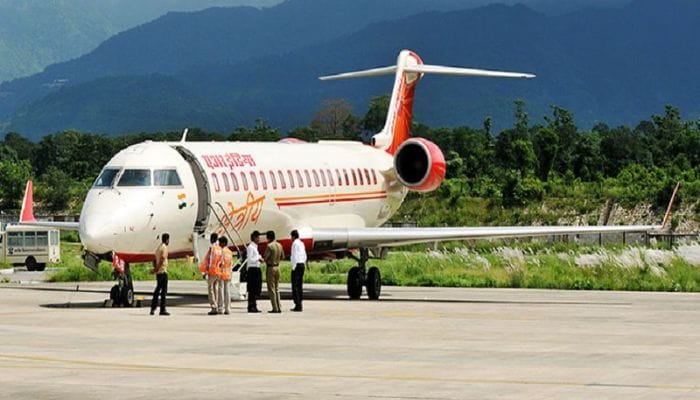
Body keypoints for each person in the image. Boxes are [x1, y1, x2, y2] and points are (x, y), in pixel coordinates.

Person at [199, 233, 221, 315]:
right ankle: (218, 306)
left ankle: (213, 307)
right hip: (218, 271)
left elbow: (211, 261)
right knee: (216, 289)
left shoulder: (212, 248)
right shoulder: (219, 248)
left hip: (212, 271)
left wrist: (206, 272)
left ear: (212, 239)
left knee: (210, 289)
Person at [263, 230, 284, 313]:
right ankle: (279, 306)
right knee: (277, 288)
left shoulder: (269, 246)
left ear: (268, 237)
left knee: (271, 288)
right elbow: (283, 256)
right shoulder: (280, 245)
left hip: (270, 268)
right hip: (278, 267)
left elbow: (266, 257)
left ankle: (275, 308)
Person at [150, 233, 170, 316]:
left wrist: (155, 269)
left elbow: (154, 260)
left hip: (158, 273)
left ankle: (153, 308)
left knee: (157, 290)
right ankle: (162, 309)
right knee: (163, 292)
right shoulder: (164, 248)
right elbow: (162, 259)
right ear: (167, 240)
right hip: (162, 271)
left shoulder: (158, 248)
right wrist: (157, 268)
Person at [246, 230, 263, 313]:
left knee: (256, 288)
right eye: (258, 237)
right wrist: (258, 258)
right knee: (252, 289)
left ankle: (254, 305)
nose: (259, 239)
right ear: (254, 238)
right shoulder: (250, 247)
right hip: (252, 269)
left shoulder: (255, 247)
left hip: (256, 269)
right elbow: (250, 259)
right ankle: (250, 306)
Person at [290, 229, 306, 312]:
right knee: (300, 285)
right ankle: (300, 303)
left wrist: (293, 267)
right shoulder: (301, 243)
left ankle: (297, 304)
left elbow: (294, 256)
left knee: (295, 286)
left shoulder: (294, 244)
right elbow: (304, 255)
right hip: (302, 264)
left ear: (293, 236)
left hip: (296, 265)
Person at [218, 236, 234, 315]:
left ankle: (220, 308)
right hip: (228, 273)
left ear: (223, 243)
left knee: (221, 291)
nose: (219, 245)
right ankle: (228, 308)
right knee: (227, 292)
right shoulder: (230, 252)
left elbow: (220, 263)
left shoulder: (221, 252)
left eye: (220, 243)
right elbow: (231, 264)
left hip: (221, 273)